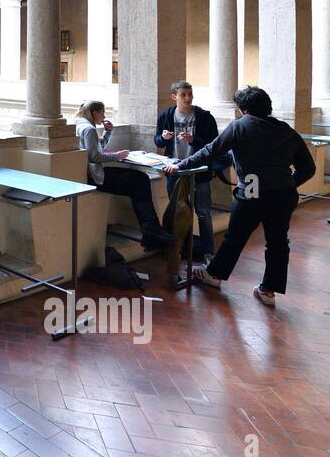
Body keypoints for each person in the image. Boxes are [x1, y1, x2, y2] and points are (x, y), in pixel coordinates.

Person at [164, 86, 316, 306]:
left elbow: (209, 151)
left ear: (244, 109)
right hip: (283, 195)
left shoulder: (240, 126)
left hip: (252, 192)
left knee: (235, 237)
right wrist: (288, 183)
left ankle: (214, 276)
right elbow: (308, 168)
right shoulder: (286, 130)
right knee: (278, 242)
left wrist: (180, 165)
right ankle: (268, 291)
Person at [73, 100, 173, 251]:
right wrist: (117, 156)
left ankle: (151, 233)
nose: (104, 116)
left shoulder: (81, 124)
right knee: (140, 181)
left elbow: (96, 149)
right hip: (95, 177)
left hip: (92, 173)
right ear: (94, 113)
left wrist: (108, 132)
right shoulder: (89, 129)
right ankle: (152, 233)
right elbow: (94, 156)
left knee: (140, 180)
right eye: (102, 112)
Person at [154, 81, 220, 261]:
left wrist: (193, 140)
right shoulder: (166, 115)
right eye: (183, 94)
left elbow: (213, 145)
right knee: (178, 212)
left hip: (199, 170)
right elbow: (158, 141)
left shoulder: (205, 117)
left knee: (203, 212)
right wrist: (163, 138)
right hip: (174, 169)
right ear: (174, 97)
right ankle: (180, 249)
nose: (188, 98)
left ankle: (208, 252)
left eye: (190, 94)